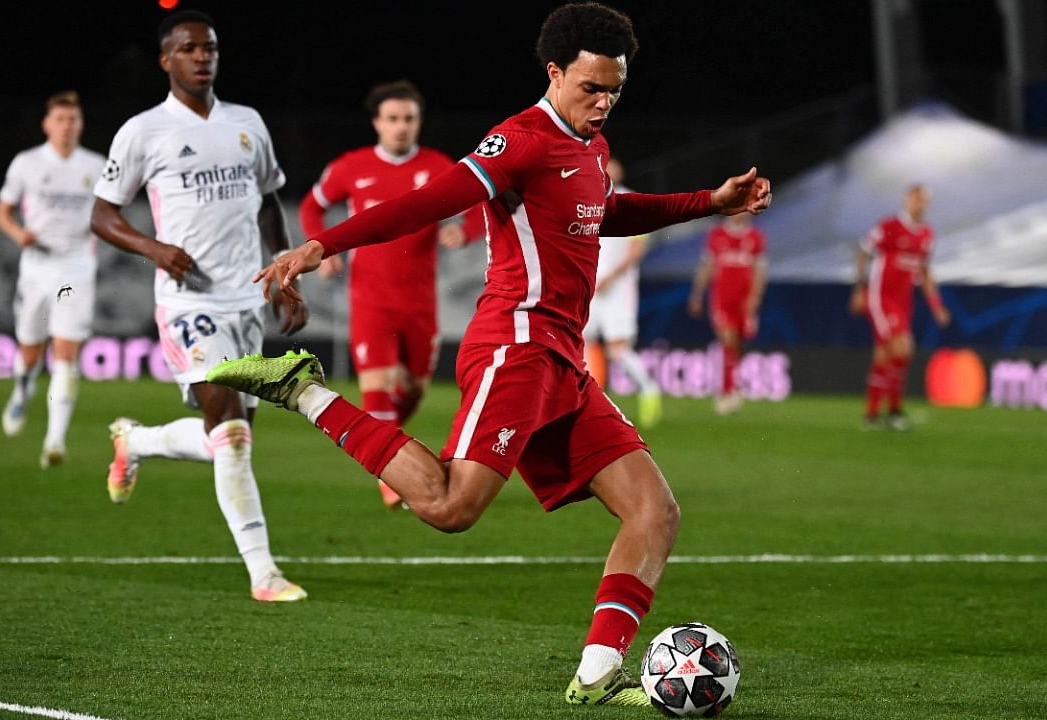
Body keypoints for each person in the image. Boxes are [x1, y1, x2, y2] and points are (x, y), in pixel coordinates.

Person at [207, 1, 771, 704]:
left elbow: (605, 212)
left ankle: (597, 676)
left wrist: (708, 202)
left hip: (561, 359)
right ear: (555, 72)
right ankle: (303, 390)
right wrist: (326, 242)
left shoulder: (590, 147)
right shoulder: (522, 139)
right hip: (517, 344)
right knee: (449, 506)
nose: (603, 104)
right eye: (590, 88)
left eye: (614, 91)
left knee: (654, 512)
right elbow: (432, 200)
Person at [89, 10, 310, 602]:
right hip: (190, 303)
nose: (201, 56)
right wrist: (153, 247)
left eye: (208, 47)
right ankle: (264, 573)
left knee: (227, 435)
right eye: (188, 48)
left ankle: (135, 442)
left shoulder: (247, 123)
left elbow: (269, 201)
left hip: (248, 299)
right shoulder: (144, 131)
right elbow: (103, 214)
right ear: (166, 60)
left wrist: (284, 269)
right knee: (232, 433)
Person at [299, 80, 478, 510]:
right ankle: (389, 475)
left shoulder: (439, 167)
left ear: (419, 123)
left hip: (420, 302)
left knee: (415, 390)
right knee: (377, 389)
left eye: (409, 119)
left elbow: (478, 208)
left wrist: (463, 230)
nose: (401, 127)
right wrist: (321, 249)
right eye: (393, 119)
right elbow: (311, 206)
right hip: (369, 299)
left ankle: (389, 450)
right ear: (377, 122)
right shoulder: (351, 167)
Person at [0, 91, 106, 468]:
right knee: (30, 350)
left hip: (76, 268)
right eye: (59, 119)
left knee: (65, 355)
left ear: (81, 124)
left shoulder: (96, 165)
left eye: (72, 119)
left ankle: (54, 441)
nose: (66, 126)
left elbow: (108, 213)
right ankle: (22, 389)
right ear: (47, 124)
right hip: (36, 268)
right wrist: (18, 234)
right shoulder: (27, 163)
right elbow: (4, 213)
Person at [849, 183, 951, 430]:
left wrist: (936, 305)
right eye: (915, 198)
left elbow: (925, 273)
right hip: (881, 298)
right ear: (906, 200)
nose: (919, 203)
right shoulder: (889, 227)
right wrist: (859, 289)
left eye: (923, 200)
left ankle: (874, 415)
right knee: (903, 347)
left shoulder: (926, 235)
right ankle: (892, 411)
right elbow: (863, 252)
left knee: (886, 354)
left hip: (904, 301)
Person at [582, 157, 663, 429]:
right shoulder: (586, 200)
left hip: (618, 289)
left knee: (618, 350)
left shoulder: (632, 202)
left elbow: (637, 250)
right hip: (591, 286)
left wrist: (612, 277)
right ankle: (590, 401)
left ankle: (649, 388)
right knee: (579, 343)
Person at [687, 213, 768, 414]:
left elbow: (760, 271)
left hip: (744, 301)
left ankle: (731, 385)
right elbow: (707, 266)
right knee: (727, 340)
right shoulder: (716, 235)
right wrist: (697, 294)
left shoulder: (755, 237)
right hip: (722, 298)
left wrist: (755, 299)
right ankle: (727, 392)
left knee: (738, 344)